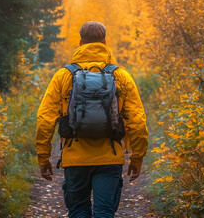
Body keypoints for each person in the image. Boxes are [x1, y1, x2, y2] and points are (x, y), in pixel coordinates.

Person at [35, 21, 148, 218]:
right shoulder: (120, 76)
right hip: (110, 157)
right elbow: (138, 121)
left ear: (80, 43)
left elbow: (45, 120)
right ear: (105, 42)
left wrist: (44, 158)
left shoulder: (63, 76)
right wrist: (136, 158)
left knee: (79, 211)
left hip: (74, 158)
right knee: (104, 212)